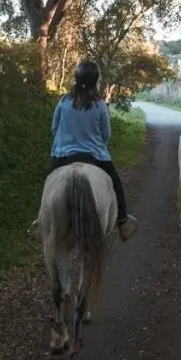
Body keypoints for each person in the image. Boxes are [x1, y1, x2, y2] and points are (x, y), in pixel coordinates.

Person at [48, 60, 139, 241]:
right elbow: (106, 134)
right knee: (115, 183)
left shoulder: (64, 102)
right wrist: (96, 144)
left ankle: (41, 221)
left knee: (49, 183)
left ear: (76, 77)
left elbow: (54, 128)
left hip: (63, 154)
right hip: (96, 155)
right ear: (95, 80)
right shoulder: (100, 105)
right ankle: (122, 222)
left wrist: (64, 142)